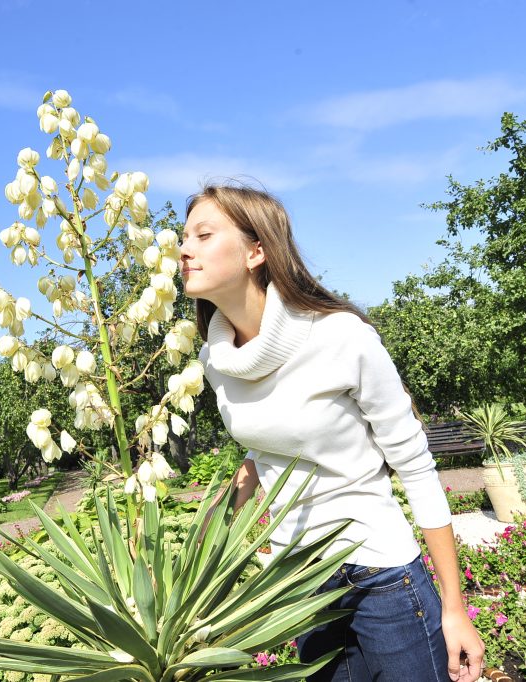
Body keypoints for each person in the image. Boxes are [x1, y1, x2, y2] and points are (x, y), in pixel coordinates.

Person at [180, 184, 484, 682]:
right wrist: (203, 543)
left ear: (256, 251)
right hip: (298, 581)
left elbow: (415, 467)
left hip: (379, 573)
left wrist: (454, 608)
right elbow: (261, 449)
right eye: (182, 237)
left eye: (204, 235)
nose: (184, 249)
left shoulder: (340, 336)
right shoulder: (215, 360)